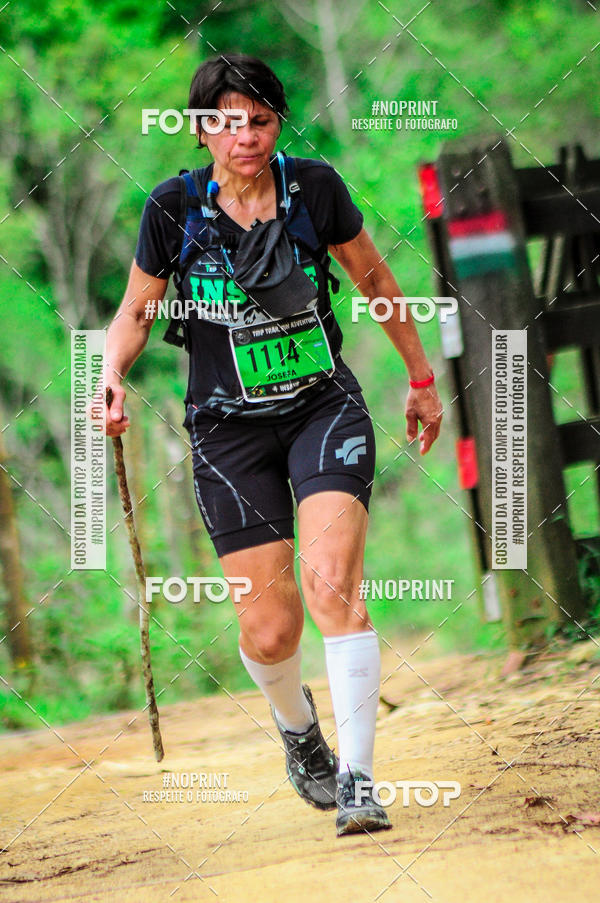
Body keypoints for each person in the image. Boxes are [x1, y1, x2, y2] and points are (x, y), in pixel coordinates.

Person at [102, 53, 442, 836]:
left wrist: (421, 377)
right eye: (226, 121)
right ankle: (300, 733)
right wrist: (112, 373)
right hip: (227, 428)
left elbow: (376, 281)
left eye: (258, 119)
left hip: (322, 407)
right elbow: (136, 309)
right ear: (200, 129)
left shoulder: (313, 189)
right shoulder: (173, 208)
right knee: (270, 627)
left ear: (277, 124)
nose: (244, 135)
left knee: (332, 588)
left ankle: (358, 779)